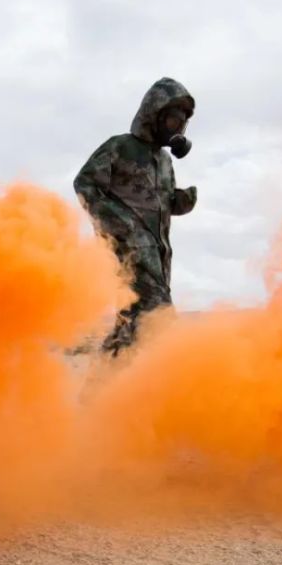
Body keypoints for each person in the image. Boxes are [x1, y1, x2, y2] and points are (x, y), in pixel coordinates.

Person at [73, 77, 198, 356]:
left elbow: (160, 203)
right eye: (171, 122)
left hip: (159, 254)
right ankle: (177, 385)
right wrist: (122, 224)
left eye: (180, 124)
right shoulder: (120, 146)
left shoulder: (165, 162)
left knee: (131, 322)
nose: (176, 128)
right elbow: (85, 184)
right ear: (154, 114)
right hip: (126, 249)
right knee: (159, 314)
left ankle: (98, 391)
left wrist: (179, 201)